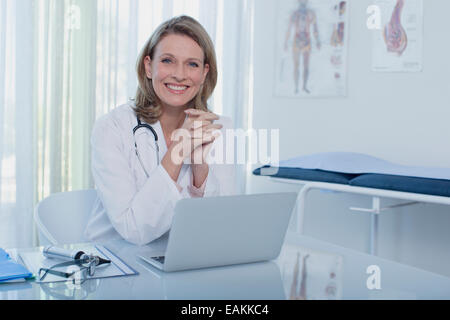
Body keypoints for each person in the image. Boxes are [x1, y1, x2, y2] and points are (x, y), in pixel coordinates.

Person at [85, 16, 236, 246]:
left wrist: (200, 172)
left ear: (204, 73)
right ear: (148, 66)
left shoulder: (219, 129)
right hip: (114, 261)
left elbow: (224, 227)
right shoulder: (111, 129)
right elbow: (134, 229)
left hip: (181, 261)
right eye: (168, 61)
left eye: (192, 64)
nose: (179, 74)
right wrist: (177, 150)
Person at [284, 0, 321, 94]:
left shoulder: (311, 13)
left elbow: (315, 28)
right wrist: (285, 42)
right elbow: (289, 28)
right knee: (296, 66)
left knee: (306, 66)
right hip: (296, 41)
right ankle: (296, 87)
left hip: (307, 41)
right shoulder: (294, 14)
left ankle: (304, 86)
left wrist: (317, 40)